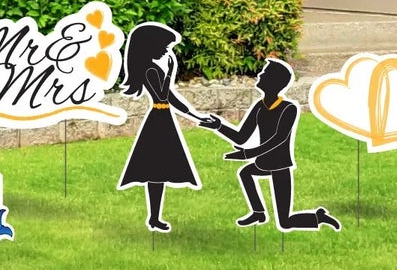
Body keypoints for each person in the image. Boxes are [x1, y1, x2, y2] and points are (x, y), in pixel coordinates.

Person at [208, 58, 340, 232]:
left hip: (280, 166)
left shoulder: (288, 108)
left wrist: (248, 154)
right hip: (263, 163)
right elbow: (241, 137)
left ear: (274, 82)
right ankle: (258, 212)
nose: (260, 75)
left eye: (265, 73)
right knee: (246, 173)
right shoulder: (259, 106)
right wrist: (218, 126)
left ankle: (318, 217)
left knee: (285, 222)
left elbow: (279, 139)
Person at [116, 22, 218, 233]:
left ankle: (155, 217)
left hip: (163, 118)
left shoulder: (153, 68)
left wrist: (195, 116)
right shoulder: (150, 69)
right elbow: (164, 95)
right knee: (155, 170)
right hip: (158, 120)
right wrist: (170, 72)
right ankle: (154, 217)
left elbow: (170, 97)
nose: (167, 51)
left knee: (158, 172)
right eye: (165, 46)